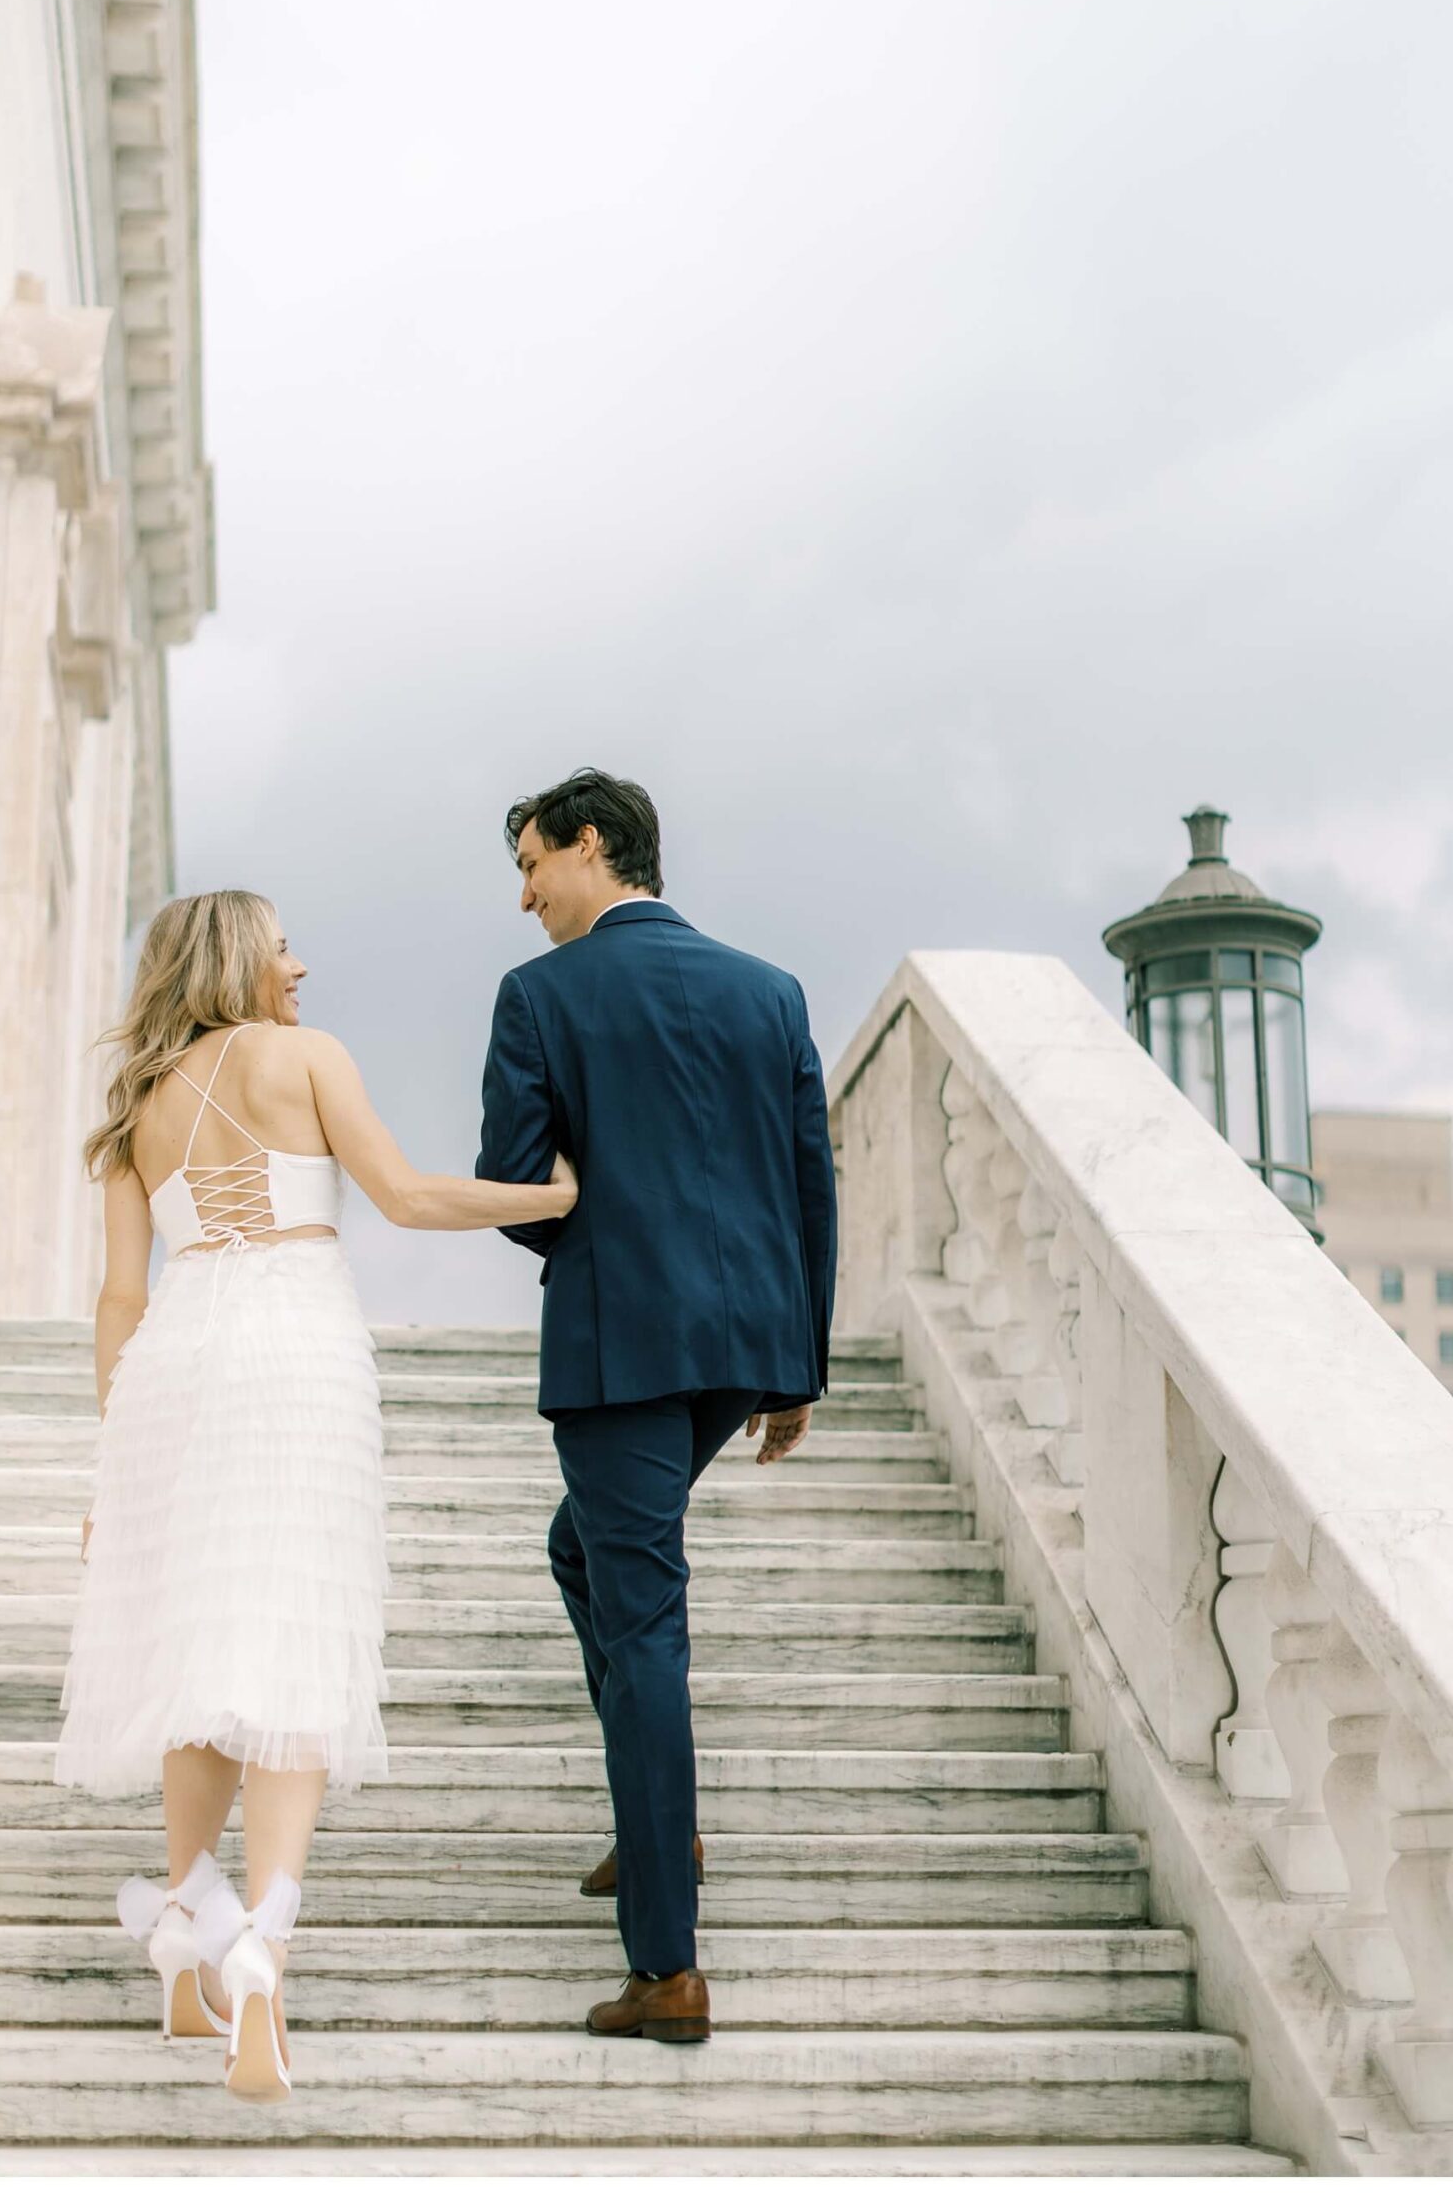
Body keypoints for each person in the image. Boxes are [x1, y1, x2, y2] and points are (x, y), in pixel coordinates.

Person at [55, 889, 575, 2103]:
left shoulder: (135, 1103)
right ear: (239, 954)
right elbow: (403, 1196)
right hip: (292, 1346)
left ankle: (183, 1947)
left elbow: (119, 1299)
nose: (301, 963)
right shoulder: (303, 1056)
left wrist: (109, 1462)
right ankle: (262, 1953)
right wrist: (546, 1199)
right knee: (290, 1643)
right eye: (283, 944)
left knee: (198, 1645)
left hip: (176, 1361)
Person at [477, 769, 837, 2043]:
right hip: (743, 1337)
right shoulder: (770, 989)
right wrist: (798, 1365)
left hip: (622, 1345)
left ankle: (667, 1966)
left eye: (531, 864)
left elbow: (514, 1180)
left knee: (645, 1625)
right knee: (579, 1548)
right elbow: (809, 1184)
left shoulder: (540, 997)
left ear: (591, 844)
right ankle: (653, 1819)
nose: (523, 896)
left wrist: (591, 1203)